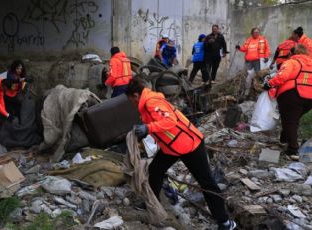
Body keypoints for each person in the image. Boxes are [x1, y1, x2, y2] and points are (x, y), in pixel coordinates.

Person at [126, 78, 236, 230]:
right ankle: (152, 203)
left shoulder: (152, 102)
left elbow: (169, 121)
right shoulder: (146, 104)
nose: (130, 103)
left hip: (190, 145)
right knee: (155, 171)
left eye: (130, 99)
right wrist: (146, 132)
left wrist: (148, 128)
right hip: (172, 148)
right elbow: (160, 126)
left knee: (206, 182)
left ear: (135, 95)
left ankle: (225, 222)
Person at [263, 44, 312, 156]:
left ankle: (293, 148)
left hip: (293, 94)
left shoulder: (291, 62)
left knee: (290, 120)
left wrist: (269, 84)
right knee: (293, 119)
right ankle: (284, 139)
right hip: (310, 98)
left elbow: (282, 76)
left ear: (293, 53)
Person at [236, 27, 270, 97]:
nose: (256, 33)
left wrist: (266, 56)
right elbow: (244, 48)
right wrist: (239, 48)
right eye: (255, 32)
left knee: (259, 75)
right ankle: (246, 91)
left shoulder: (262, 40)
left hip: (258, 61)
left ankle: (259, 91)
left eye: (257, 32)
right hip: (249, 61)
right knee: (248, 76)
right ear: (252, 33)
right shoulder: (249, 40)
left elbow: (267, 49)